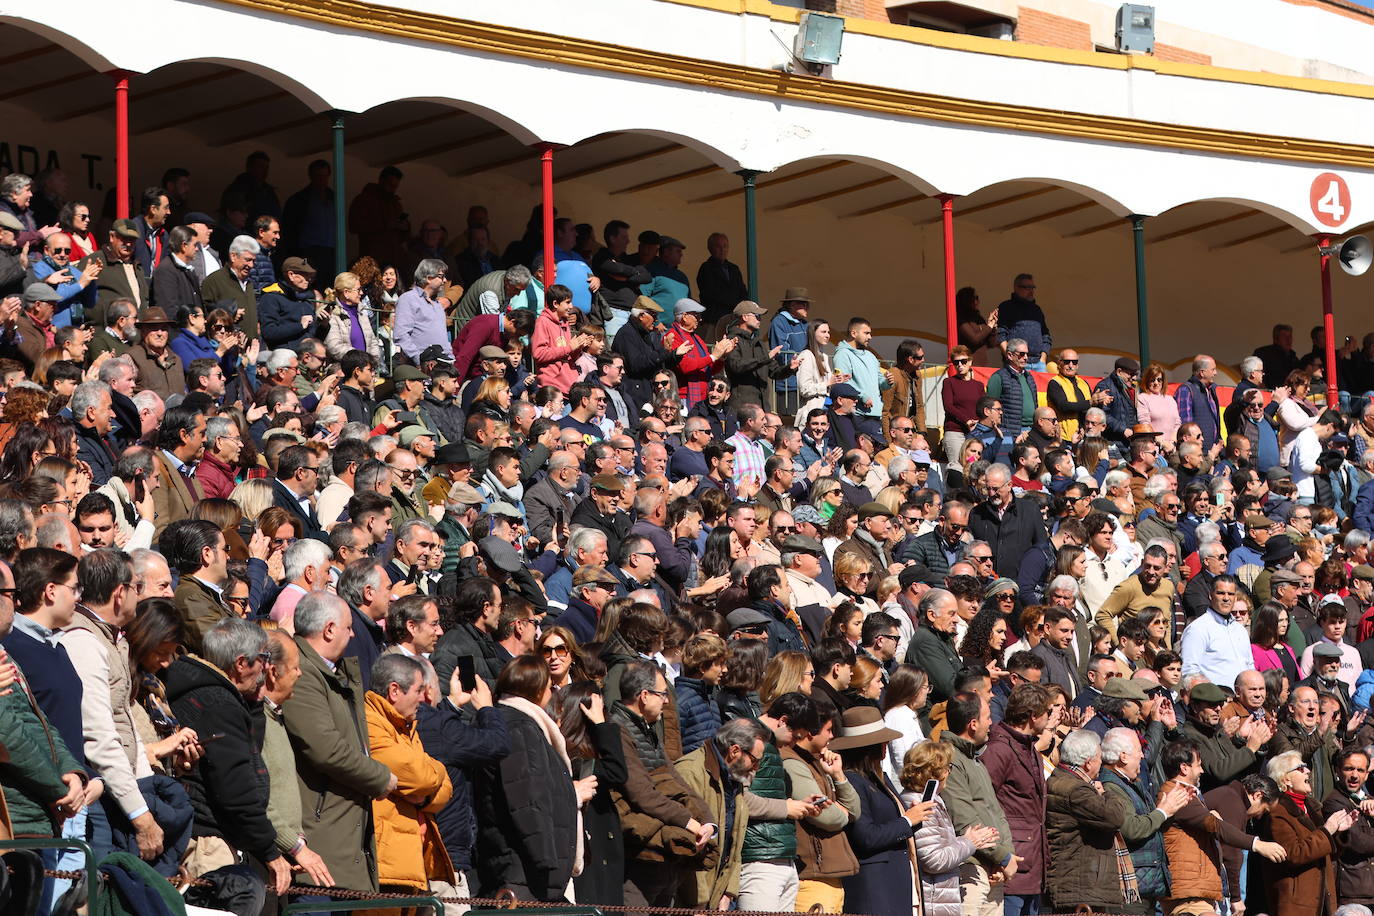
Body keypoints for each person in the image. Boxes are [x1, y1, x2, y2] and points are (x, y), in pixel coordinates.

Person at [164, 618, 292, 893]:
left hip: (206, 833)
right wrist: (269, 850)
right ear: (241, 663)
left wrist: (254, 703)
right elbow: (236, 788)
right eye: (263, 658)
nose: (266, 668)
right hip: (208, 842)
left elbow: (249, 753)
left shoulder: (215, 693)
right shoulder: (219, 704)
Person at [281, 591, 397, 892]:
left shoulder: (332, 673)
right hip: (320, 841)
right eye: (348, 627)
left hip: (340, 836)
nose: (353, 634)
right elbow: (326, 748)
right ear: (329, 629)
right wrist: (380, 777)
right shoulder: (302, 673)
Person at [475, 655, 580, 901]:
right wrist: (546, 862)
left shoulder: (513, 723)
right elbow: (527, 798)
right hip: (522, 869)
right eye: (550, 686)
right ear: (537, 689)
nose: (553, 693)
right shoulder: (518, 728)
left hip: (522, 866)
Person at [364, 653, 458, 900]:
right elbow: (420, 777)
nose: (423, 698)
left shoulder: (406, 725)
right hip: (387, 864)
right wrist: (435, 771)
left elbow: (446, 789)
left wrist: (423, 797)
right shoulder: (370, 723)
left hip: (412, 860)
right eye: (418, 690)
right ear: (395, 691)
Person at [940, 691, 1016, 916]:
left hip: (993, 869)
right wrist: (1003, 856)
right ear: (973, 724)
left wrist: (1005, 856)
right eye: (987, 717)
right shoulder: (951, 760)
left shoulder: (975, 760)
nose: (991, 722)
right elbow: (964, 821)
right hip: (971, 870)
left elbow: (996, 813)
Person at [980, 683, 1051, 916]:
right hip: (1011, 862)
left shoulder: (1028, 748)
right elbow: (982, 802)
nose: (1050, 717)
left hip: (1032, 861)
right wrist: (998, 855)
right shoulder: (999, 750)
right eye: (1047, 711)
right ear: (1033, 716)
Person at [1262, 749, 1357, 916]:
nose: (1308, 770)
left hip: (1323, 901)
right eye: (1301, 768)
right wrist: (1327, 831)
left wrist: (1338, 833)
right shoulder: (1277, 812)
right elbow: (1293, 854)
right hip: (1297, 904)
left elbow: (1326, 853)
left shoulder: (1313, 808)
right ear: (1286, 779)